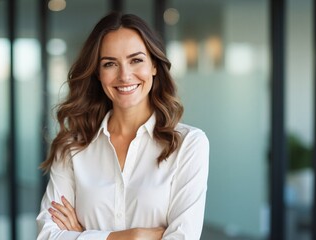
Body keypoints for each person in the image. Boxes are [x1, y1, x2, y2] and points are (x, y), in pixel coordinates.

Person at [36, 11, 209, 240]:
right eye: (110, 64)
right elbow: (47, 235)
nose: (125, 76)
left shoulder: (188, 144)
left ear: (154, 66)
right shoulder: (72, 147)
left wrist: (84, 235)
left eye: (136, 60)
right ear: (98, 73)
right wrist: (133, 236)